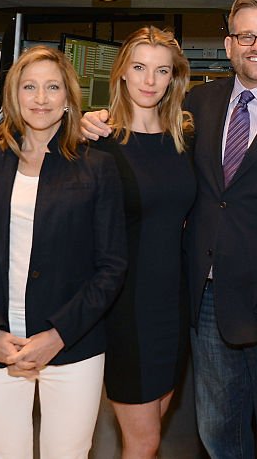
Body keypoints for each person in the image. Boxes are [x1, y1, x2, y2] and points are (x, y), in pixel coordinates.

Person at [83, 0, 257, 459]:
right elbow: (146, 148)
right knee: (218, 436)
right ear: (228, 44)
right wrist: (98, 118)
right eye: (246, 35)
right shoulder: (194, 107)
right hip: (204, 303)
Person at [0, 46, 127, 459]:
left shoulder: (96, 167)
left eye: (52, 87)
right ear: (14, 95)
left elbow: (111, 267)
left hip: (72, 348)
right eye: (30, 87)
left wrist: (58, 335)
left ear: (68, 99)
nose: (41, 99)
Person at [91, 28, 197, 459]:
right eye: (139, 68)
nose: (149, 80)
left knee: (149, 440)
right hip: (124, 311)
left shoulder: (185, 139)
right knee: (144, 441)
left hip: (174, 307)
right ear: (121, 74)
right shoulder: (98, 143)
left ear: (173, 78)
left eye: (161, 70)